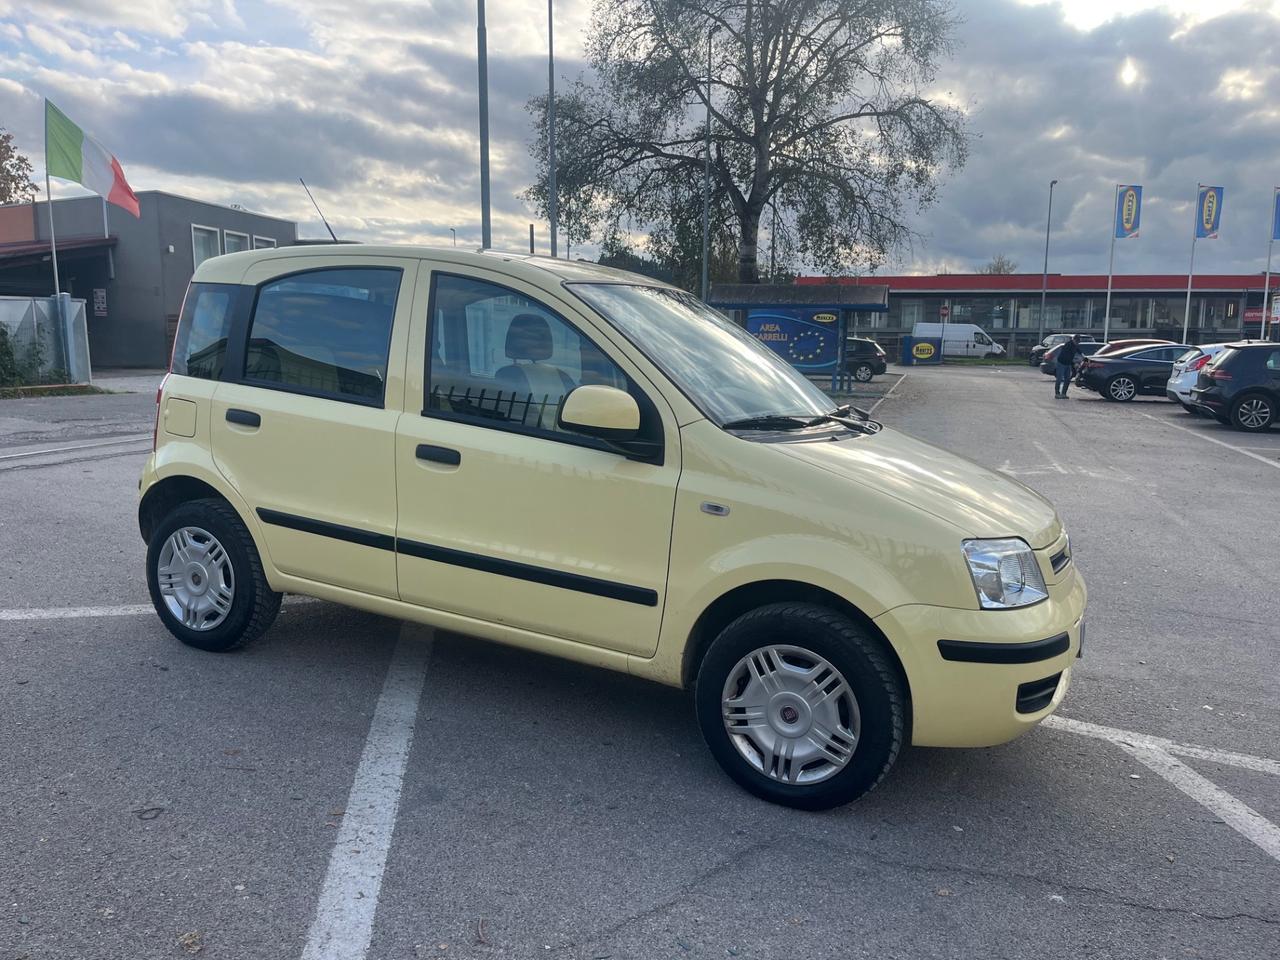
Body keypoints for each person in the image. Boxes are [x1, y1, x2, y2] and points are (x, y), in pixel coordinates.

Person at [1054, 334, 1081, 398]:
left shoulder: (1075, 346)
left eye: (1078, 342)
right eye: (1076, 341)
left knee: (1067, 379)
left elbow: (1078, 350)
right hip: (1061, 363)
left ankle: (1064, 393)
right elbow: (1067, 357)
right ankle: (1057, 393)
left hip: (1068, 364)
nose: (1077, 343)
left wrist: (1082, 355)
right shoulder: (1068, 345)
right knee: (1059, 378)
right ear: (1073, 340)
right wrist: (1074, 363)